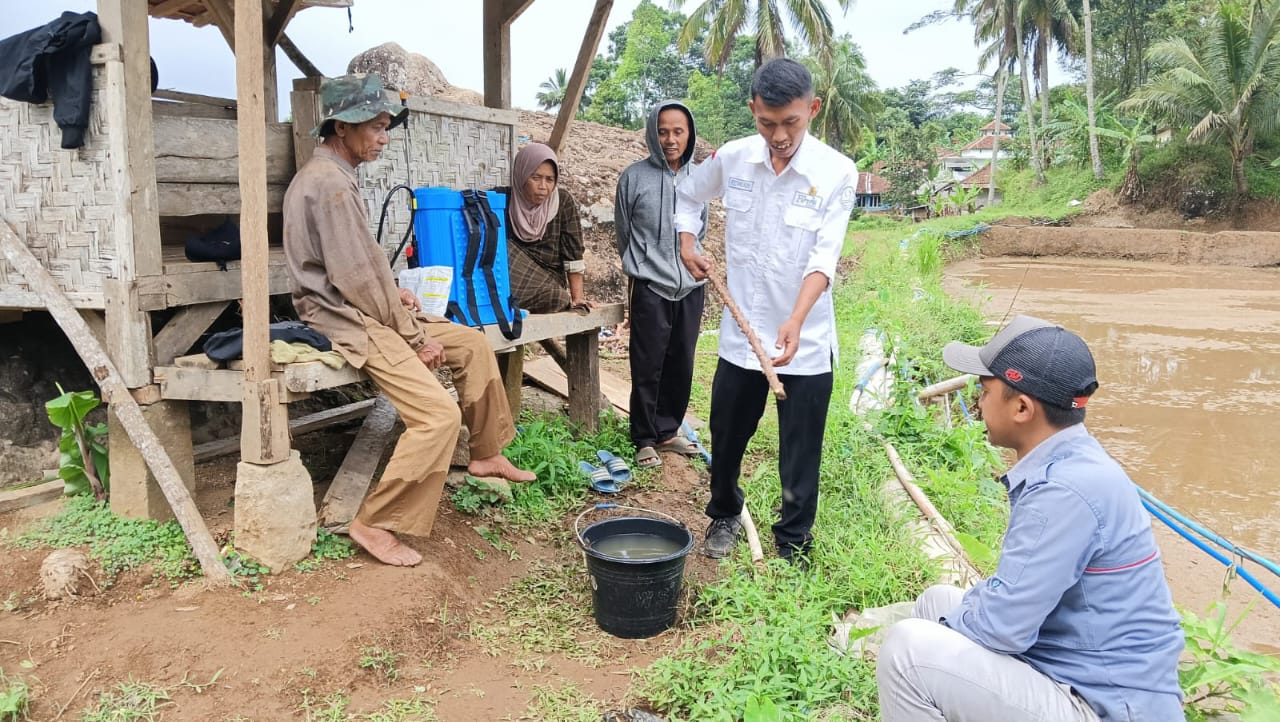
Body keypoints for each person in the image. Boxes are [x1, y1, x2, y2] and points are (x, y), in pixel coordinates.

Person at [875, 315, 1186, 722]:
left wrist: (954, 627)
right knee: (936, 602)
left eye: (985, 391)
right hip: (1077, 668)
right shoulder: (1075, 461)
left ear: (1022, 407)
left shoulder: (1064, 491)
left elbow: (1003, 627)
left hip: (1103, 705)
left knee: (906, 651)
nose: (977, 402)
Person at [282, 74, 535, 568]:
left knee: (472, 344)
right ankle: (375, 522)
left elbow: (361, 267)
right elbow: (355, 280)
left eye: (385, 127)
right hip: (343, 317)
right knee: (437, 417)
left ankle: (485, 453)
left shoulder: (336, 175)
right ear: (341, 126)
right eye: (376, 127)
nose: (384, 137)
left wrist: (395, 293)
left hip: (367, 306)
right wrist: (415, 337)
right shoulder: (329, 185)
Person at [675, 58, 858, 563]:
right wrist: (688, 242)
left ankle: (794, 541)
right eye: (766, 122)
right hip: (741, 337)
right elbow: (687, 195)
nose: (778, 136)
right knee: (726, 435)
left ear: (812, 109)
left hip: (805, 340)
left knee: (800, 449)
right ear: (753, 108)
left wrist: (795, 319)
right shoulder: (733, 159)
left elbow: (825, 256)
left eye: (790, 122)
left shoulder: (837, 172)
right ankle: (724, 514)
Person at [616, 101, 706, 470]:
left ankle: (668, 431)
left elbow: (701, 229)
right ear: (653, 134)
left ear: (689, 134)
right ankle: (643, 437)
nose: (670, 139)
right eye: (663, 131)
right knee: (647, 361)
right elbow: (623, 233)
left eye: (678, 131)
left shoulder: (699, 178)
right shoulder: (633, 177)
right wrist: (643, 264)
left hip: (691, 285)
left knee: (681, 360)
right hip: (650, 284)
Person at [491, 143, 590, 314]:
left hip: (548, 285)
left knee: (558, 298)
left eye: (550, 180)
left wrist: (578, 298)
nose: (543, 186)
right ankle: (501, 301)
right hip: (508, 279)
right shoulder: (501, 199)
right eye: (536, 178)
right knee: (496, 243)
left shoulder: (563, 202)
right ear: (522, 175)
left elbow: (573, 255)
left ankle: (505, 302)